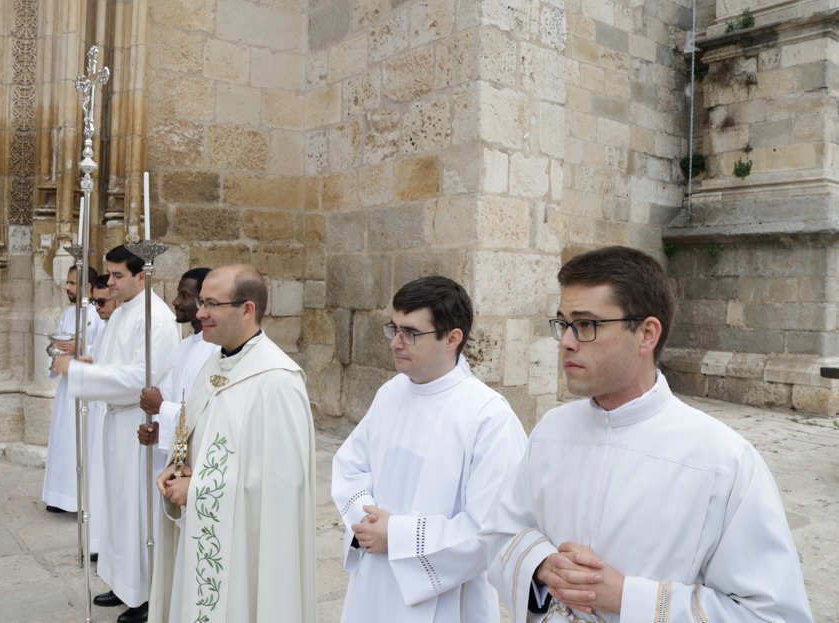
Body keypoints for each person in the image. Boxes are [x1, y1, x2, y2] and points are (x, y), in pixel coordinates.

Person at [479, 246, 813, 623]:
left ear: (646, 334)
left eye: (586, 325)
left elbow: (773, 615)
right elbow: (501, 534)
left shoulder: (722, 461)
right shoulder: (552, 431)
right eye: (563, 324)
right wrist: (542, 566)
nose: (567, 342)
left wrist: (628, 598)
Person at [332, 276, 528, 623]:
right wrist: (366, 523)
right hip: (374, 576)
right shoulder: (391, 393)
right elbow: (349, 467)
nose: (395, 342)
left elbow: (492, 529)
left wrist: (397, 535)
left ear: (453, 338)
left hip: (444, 596)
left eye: (410, 333)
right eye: (393, 328)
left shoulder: (488, 416)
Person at [148, 264, 317, 623]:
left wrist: (199, 489)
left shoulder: (277, 381)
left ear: (246, 309)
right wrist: (177, 467)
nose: (200, 313)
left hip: (244, 549)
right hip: (202, 532)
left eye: (211, 303)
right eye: (200, 302)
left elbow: (284, 486)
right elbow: (197, 433)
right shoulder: (215, 364)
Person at [52, 245, 179, 623]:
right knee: (116, 505)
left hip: (136, 424)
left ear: (143, 276)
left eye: (118, 275)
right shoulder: (122, 313)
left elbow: (142, 378)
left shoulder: (156, 319)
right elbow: (112, 362)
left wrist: (77, 373)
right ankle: (124, 583)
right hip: (114, 422)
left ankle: (144, 593)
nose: (109, 282)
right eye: (109, 275)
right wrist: (91, 362)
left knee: (136, 508)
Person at [137, 267, 217, 490]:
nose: (175, 301)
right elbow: (172, 397)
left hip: (198, 460)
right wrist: (157, 430)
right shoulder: (185, 346)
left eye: (184, 295)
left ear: (203, 302)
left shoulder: (216, 349)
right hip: (179, 455)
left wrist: (161, 406)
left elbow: (207, 411)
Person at [42, 265, 101, 513]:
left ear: (87, 287)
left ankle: (79, 500)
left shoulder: (98, 314)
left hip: (89, 388)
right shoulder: (67, 314)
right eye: (67, 283)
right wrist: (59, 353)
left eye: (71, 283)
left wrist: (79, 347)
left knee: (82, 442)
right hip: (67, 387)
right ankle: (60, 497)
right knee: (64, 442)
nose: (66, 287)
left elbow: (99, 349)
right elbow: (58, 346)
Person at [88, 272, 119, 561]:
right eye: (94, 302)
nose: (98, 309)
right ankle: (99, 542)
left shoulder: (145, 321)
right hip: (103, 411)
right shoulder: (109, 325)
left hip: (121, 414)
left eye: (101, 302)